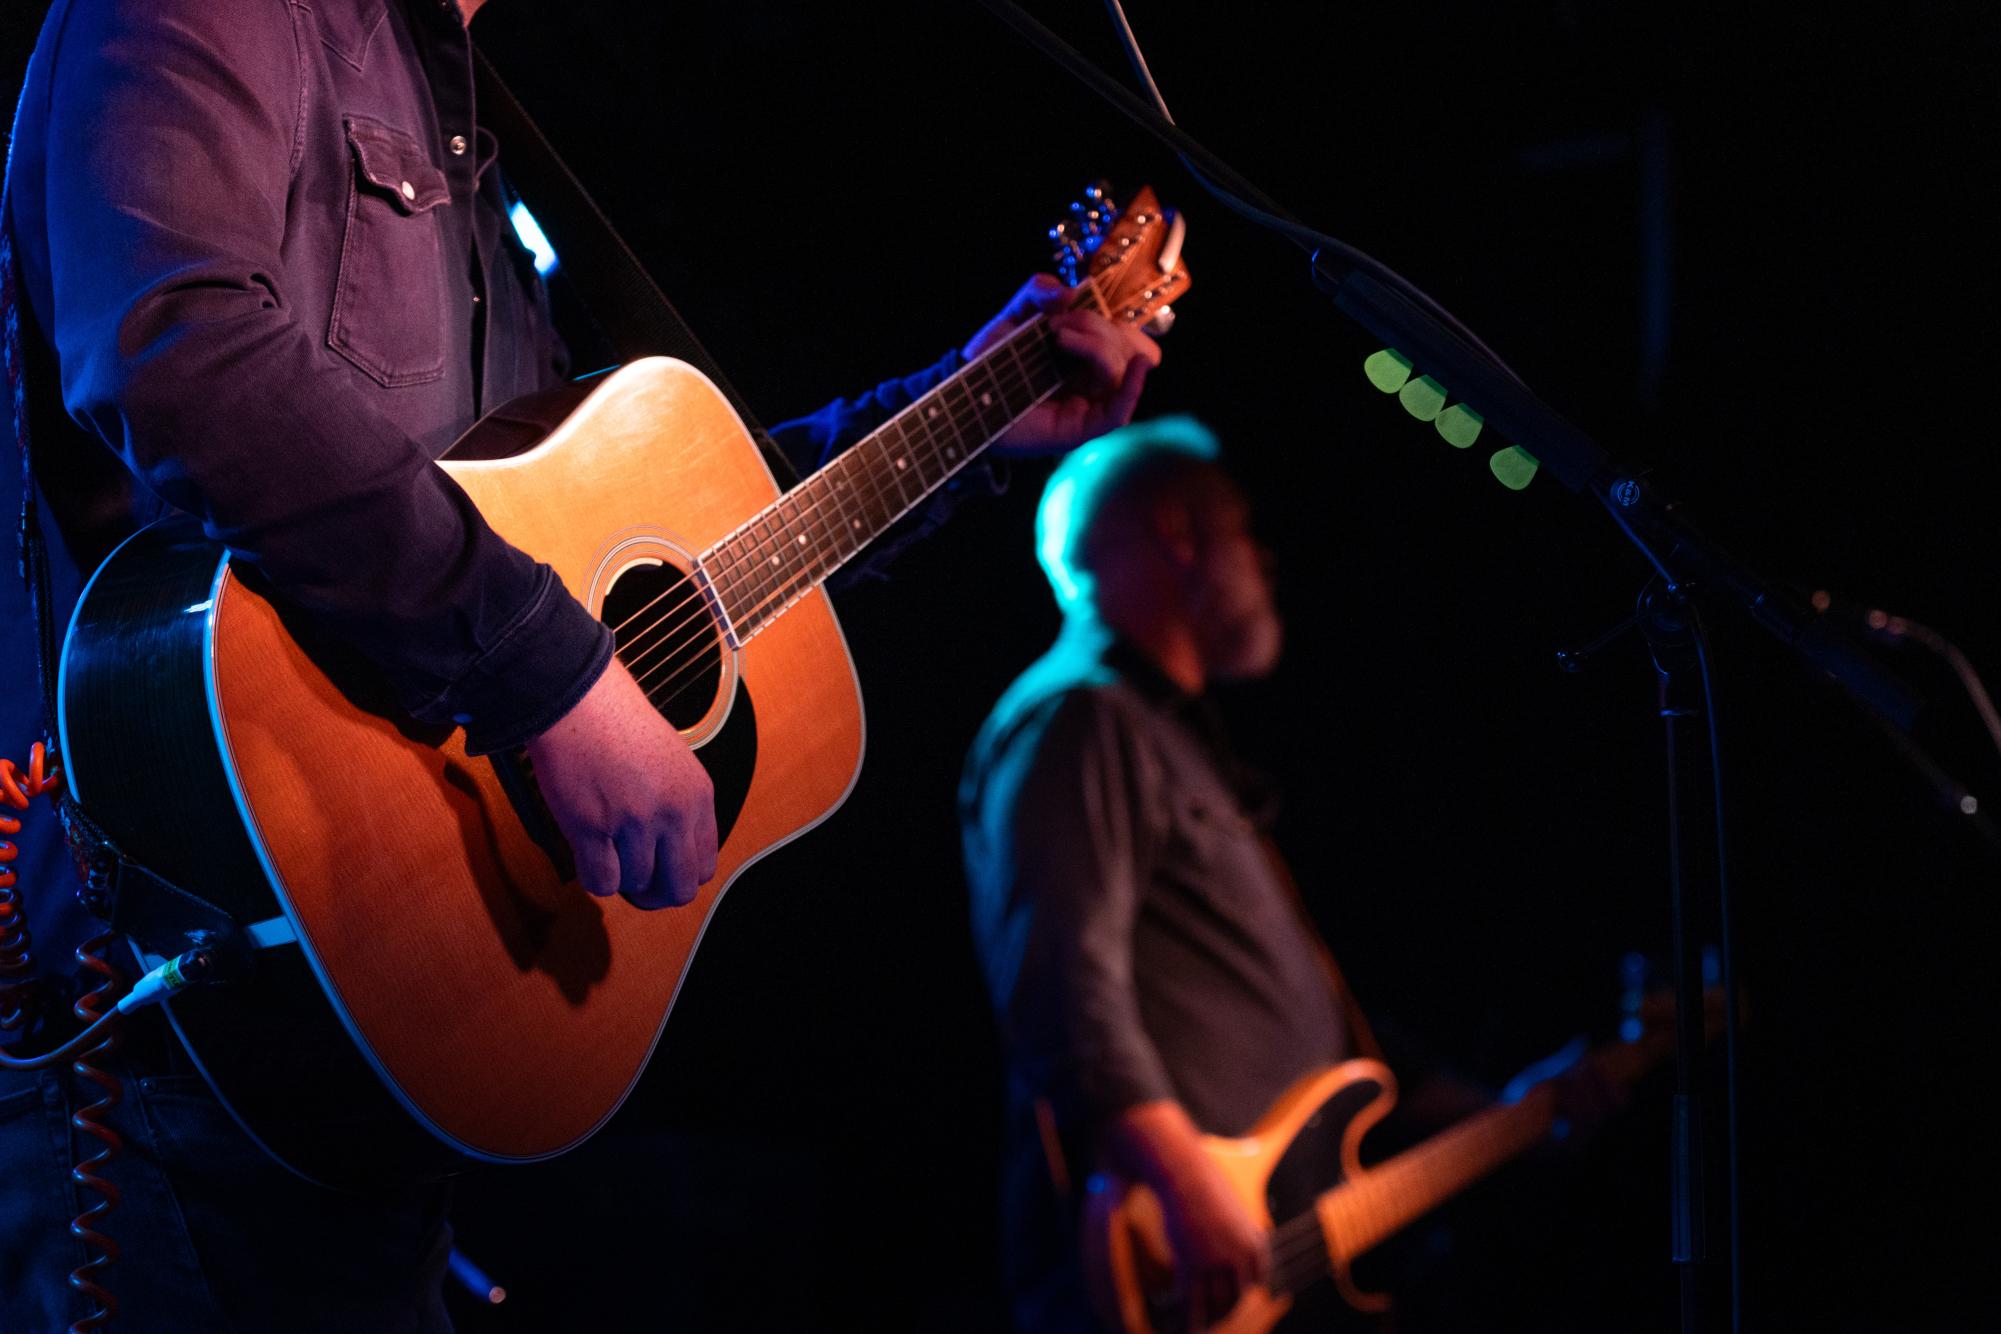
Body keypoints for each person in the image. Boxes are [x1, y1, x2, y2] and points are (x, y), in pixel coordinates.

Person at [0, 0, 1159, 1329]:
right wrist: (542, 672)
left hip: (360, 1091)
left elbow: (642, 541)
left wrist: (977, 395)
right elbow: (171, 343)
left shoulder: (469, 131)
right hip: (153, 1054)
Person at [960, 417, 1611, 1332]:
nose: (1263, 558)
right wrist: (1182, 1179)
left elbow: (1308, 1031)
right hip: (1181, 1259)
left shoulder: (1168, 742)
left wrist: (1507, 1113)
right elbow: (1061, 987)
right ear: (1178, 535)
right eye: (1242, 528)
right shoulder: (1078, 719)